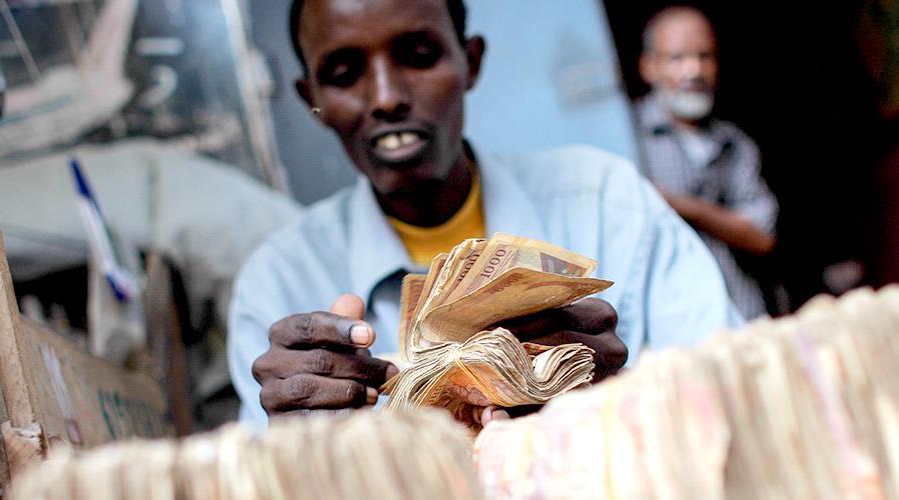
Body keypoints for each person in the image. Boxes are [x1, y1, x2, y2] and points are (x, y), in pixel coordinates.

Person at [227, 0, 741, 427]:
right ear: (310, 97)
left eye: (419, 56)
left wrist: (616, 398)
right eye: (344, 74)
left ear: (470, 62)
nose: (386, 98)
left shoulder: (609, 203)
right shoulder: (277, 285)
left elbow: (741, 387)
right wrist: (297, 453)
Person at [636, 6, 779, 319]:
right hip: (671, 325)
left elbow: (761, 235)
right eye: (678, 58)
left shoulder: (734, 144)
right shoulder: (630, 136)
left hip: (743, 314)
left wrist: (680, 204)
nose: (694, 71)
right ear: (649, 67)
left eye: (705, 57)